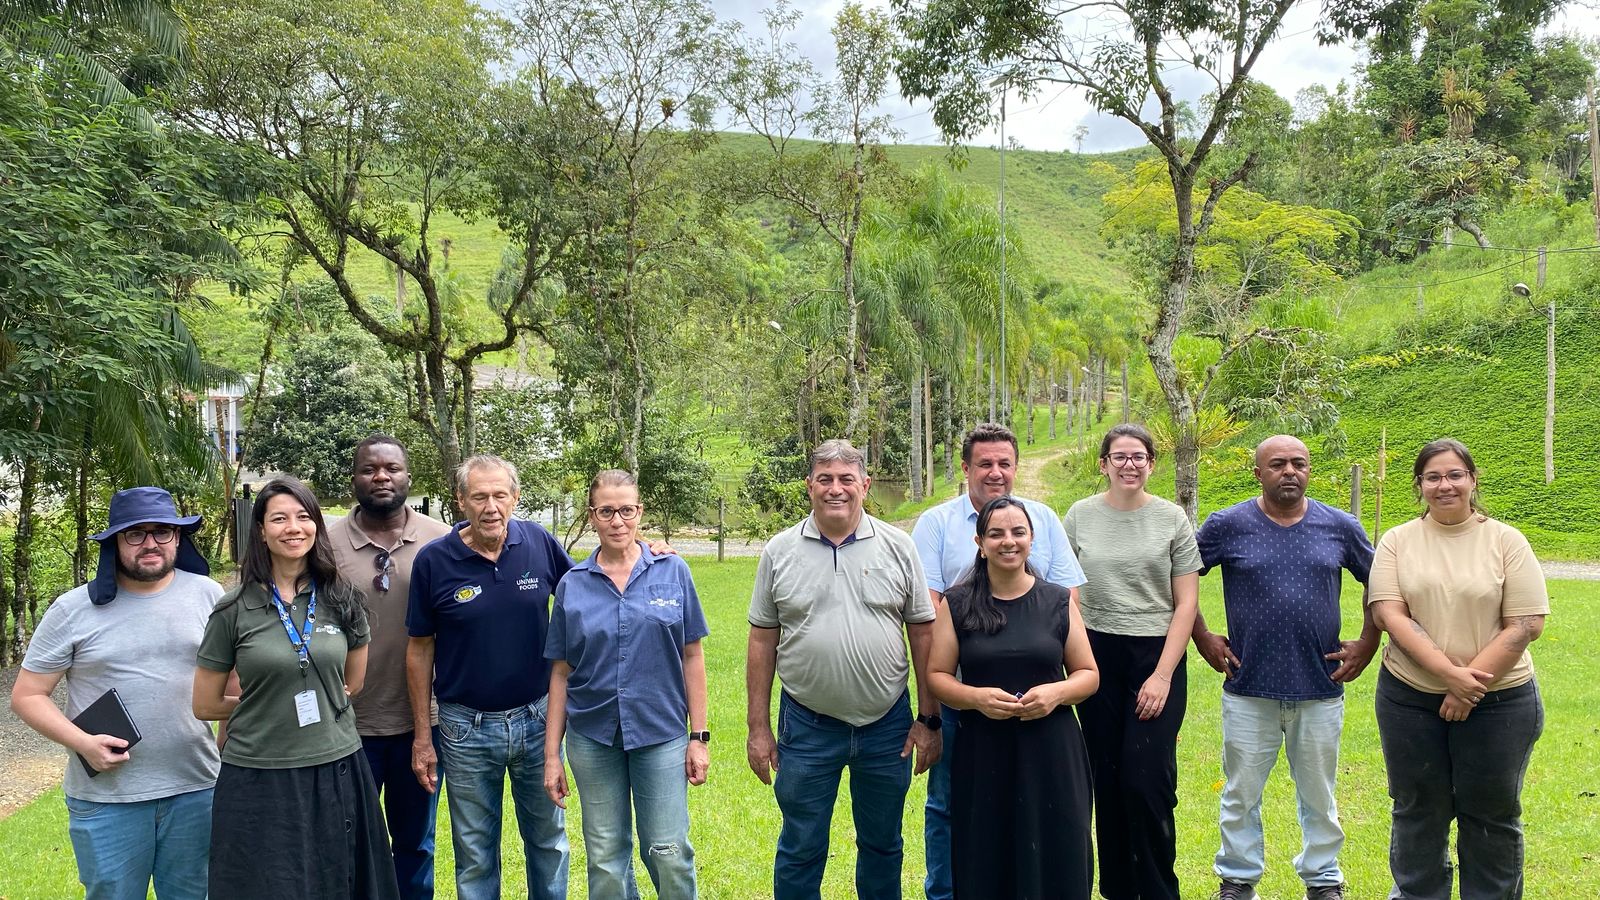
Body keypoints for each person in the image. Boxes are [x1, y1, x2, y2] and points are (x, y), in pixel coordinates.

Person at [746, 438, 941, 900]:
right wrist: (757, 727)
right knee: (801, 844)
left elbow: (923, 634)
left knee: (883, 843)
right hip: (807, 725)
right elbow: (761, 639)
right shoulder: (779, 551)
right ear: (809, 486)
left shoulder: (898, 545)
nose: (837, 489)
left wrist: (929, 719)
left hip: (887, 725)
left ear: (865, 485)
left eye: (847, 479)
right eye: (826, 479)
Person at [1191, 435, 1379, 900]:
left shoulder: (1340, 526)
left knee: (1319, 795)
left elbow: (1382, 583)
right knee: (1240, 793)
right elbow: (1181, 577)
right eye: (1277, 464)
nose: (1289, 471)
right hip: (1248, 686)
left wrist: (1368, 643)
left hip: (1320, 686)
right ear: (1258, 473)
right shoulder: (1226, 525)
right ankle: (1237, 878)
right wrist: (1202, 635)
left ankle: (1323, 879)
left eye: (1299, 463)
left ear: (1309, 471)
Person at [10, 487, 222, 900]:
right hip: (108, 799)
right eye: (135, 534)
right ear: (115, 542)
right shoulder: (73, 610)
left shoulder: (209, 596)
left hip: (196, 788)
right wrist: (83, 743)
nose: (150, 544)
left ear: (178, 538)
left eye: (161, 532)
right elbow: (28, 695)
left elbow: (232, 683)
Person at [193, 476, 399, 899]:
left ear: (317, 527)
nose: (294, 528)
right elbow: (205, 703)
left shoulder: (342, 598)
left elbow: (351, 683)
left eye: (304, 517)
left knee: (338, 881)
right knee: (267, 885)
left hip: (336, 765)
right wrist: (268, 706)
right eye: (280, 518)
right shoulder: (233, 609)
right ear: (261, 531)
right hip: (257, 773)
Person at [910, 423, 1087, 900]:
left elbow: (1066, 606)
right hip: (968, 703)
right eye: (984, 463)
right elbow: (927, 615)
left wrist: (1053, 687)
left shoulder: (1045, 519)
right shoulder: (936, 525)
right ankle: (947, 893)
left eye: (1004, 463)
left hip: (1043, 703)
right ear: (965, 468)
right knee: (956, 811)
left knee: (1046, 813)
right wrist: (948, 705)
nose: (995, 472)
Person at [1367, 438, 1548, 900]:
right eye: (1433, 477)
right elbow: (1391, 614)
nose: (1444, 485)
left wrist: (1466, 687)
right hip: (1409, 697)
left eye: (1454, 475)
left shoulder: (1506, 540)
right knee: (1417, 809)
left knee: (1490, 813)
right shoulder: (1397, 540)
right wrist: (1450, 676)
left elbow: (1526, 623)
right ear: (1420, 485)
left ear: (1472, 480)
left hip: (1500, 702)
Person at [406, 455, 572, 900]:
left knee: (549, 843)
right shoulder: (434, 561)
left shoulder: (537, 542)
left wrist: (644, 553)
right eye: (479, 496)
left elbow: (588, 590)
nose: (491, 506)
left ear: (515, 498)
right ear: (460, 500)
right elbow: (419, 650)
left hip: (539, 723)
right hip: (464, 729)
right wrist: (425, 736)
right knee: (475, 853)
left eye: (500, 495)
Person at [543, 469, 711, 899]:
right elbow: (560, 673)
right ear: (592, 515)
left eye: (626, 510)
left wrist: (699, 737)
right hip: (593, 737)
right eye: (606, 511)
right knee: (604, 856)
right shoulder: (572, 585)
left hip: (661, 734)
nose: (617, 521)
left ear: (640, 512)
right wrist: (552, 756)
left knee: (669, 850)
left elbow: (692, 656)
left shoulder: (673, 571)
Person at [1063, 424, 1200, 900]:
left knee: (1148, 780)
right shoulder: (1079, 516)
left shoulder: (1172, 519)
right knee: (1108, 775)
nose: (1129, 464)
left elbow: (1186, 603)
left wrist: (1162, 675)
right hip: (1096, 654)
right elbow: (1068, 592)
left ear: (1151, 464)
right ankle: (1118, 888)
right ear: (1103, 464)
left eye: (1139, 456)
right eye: (1119, 456)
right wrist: (1078, 656)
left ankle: (1161, 890)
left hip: (1156, 654)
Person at [329, 434, 452, 900]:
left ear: (407, 477)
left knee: (415, 843)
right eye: (369, 469)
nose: (381, 476)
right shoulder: (326, 542)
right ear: (354, 478)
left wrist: (640, 549)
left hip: (424, 720)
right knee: (348, 841)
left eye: (391, 469)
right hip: (347, 720)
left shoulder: (442, 540)